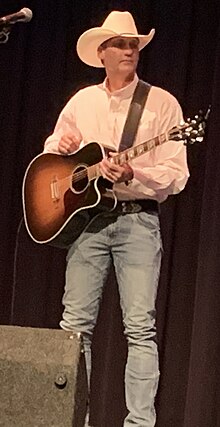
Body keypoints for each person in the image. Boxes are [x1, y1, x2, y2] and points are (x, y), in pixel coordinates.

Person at [44, 10, 189, 427]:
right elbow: (54, 151)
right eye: (121, 45)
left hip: (137, 220)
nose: (129, 50)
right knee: (74, 327)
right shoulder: (83, 101)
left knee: (140, 328)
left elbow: (176, 175)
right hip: (88, 222)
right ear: (102, 53)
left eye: (133, 45)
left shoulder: (161, 103)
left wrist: (133, 172)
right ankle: (73, 418)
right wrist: (64, 145)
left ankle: (139, 424)